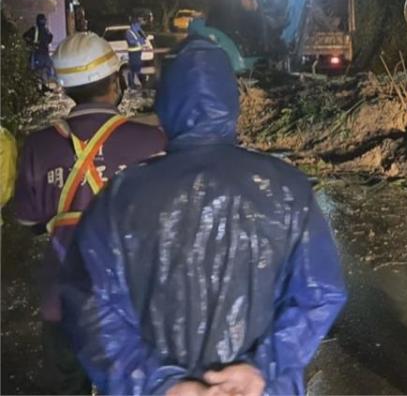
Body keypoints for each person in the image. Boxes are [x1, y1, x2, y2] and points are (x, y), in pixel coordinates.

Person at [60, 37, 348, 395]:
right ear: (232, 101)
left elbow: (87, 305)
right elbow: (321, 292)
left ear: (165, 105)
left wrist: (160, 384)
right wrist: (262, 367)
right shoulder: (289, 189)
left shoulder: (120, 197)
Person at [11, 32, 166, 394]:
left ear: (65, 90)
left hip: (64, 300)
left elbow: (26, 219)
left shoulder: (38, 145)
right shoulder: (154, 141)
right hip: (133, 302)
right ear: (117, 81)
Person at [22, 13, 55, 83]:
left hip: (39, 54)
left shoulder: (36, 29)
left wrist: (31, 43)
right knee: (48, 71)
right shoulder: (44, 30)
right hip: (43, 54)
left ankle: (40, 84)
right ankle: (49, 85)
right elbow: (50, 38)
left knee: (36, 72)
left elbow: (24, 37)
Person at [124, 18, 146, 88]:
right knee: (132, 68)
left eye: (139, 24)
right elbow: (131, 41)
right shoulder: (129, 32)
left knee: (137, 68)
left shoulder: (138, 30)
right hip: (132, 52)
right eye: (137, 24)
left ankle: (135, 83)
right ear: (133, 24)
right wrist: (139, 40)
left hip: (138, 51)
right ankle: (131, 84)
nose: (139, 25)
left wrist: (142, 34)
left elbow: (144, 38)